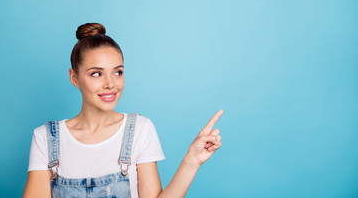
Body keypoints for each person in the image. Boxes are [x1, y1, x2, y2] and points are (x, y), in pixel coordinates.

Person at [23, 23, 223, 198]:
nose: (110, 84)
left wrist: (192, 161)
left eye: (118, 72)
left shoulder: (140, 130)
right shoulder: (46, 139)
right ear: (74, 77)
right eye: (96, 74)